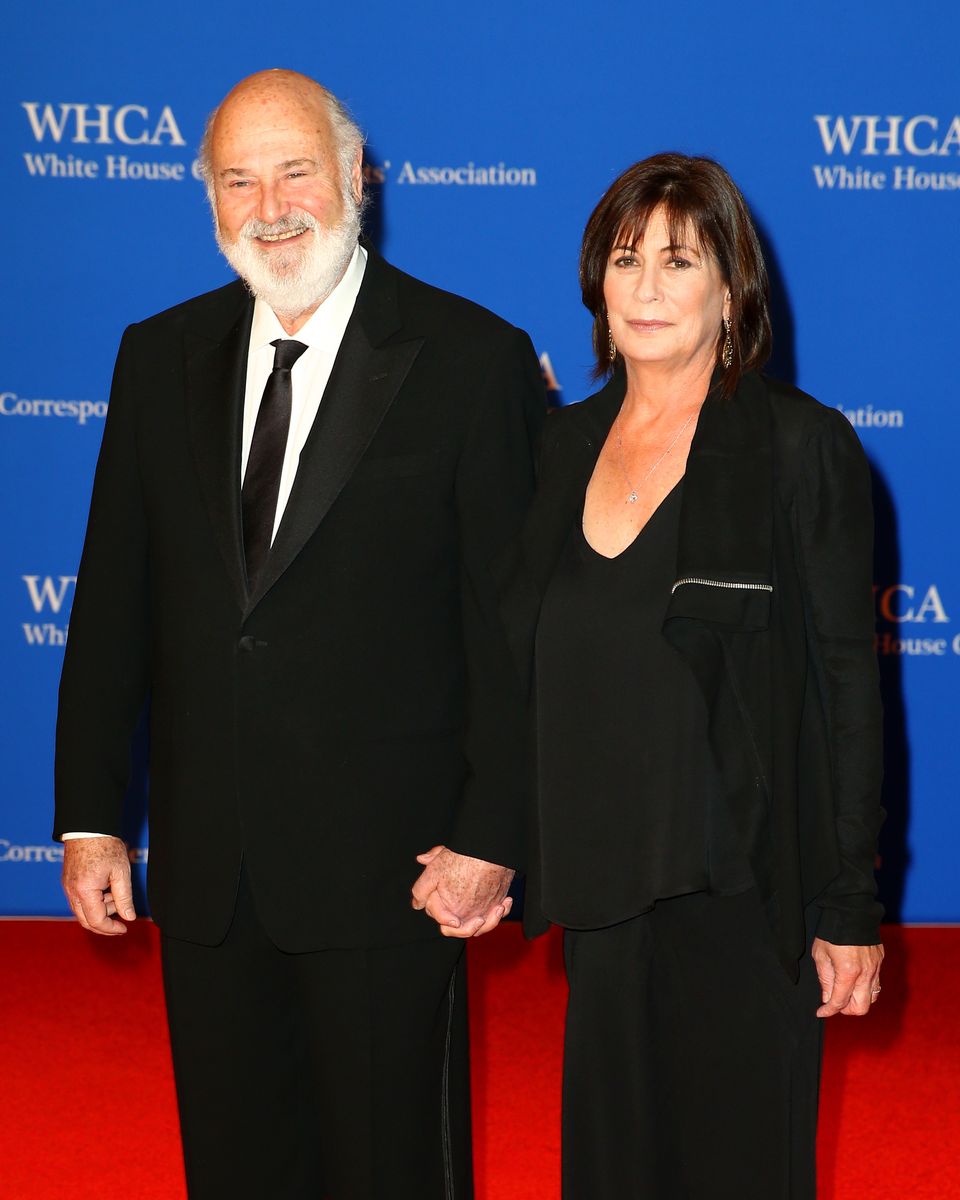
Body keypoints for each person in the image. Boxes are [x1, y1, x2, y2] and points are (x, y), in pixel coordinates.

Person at [54, 68, 543, 1200]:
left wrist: (492, 833)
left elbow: (512, 632)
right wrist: (88, 816)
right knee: (233, 1164)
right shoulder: (154, 357)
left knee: (390, 1168)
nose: (269, 204)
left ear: (356, 181)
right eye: (237, 178)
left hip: (393, 873)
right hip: (210, 870)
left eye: (294, 171)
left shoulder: (472, 359)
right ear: (209, 199)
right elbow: (113, 603)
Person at [493, 154, 885, 1198]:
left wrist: (851, 902)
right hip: (603, 897)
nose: (649, 288)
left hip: (745, 897)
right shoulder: (559, 448)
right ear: (596, 284)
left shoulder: (800, 449)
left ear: (731, 291)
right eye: (626, 261)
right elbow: (516, 664)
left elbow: (851, 688)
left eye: (680, 260)